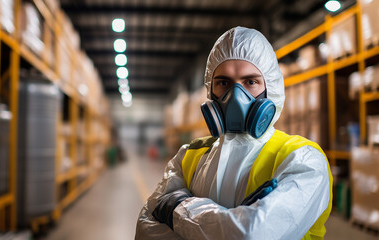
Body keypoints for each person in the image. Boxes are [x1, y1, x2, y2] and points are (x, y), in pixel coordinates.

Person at [135, 26, 332, 240]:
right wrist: (233, 221)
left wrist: (179, 208)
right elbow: (147, 229)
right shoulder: (188, 156)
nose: (236, 96)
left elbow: (252, 234)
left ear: (271, 89)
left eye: (250, 82)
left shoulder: (302, 159)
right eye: (223, 83)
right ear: (210, 91)